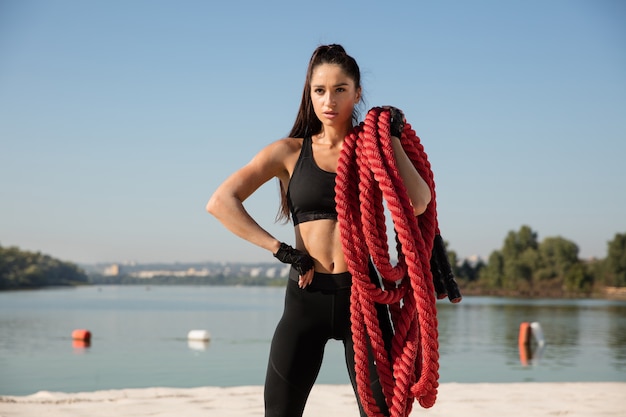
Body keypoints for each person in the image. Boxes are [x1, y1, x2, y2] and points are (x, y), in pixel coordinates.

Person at [206, 44, 432, 417]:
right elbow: (221, 202)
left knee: (383, 414)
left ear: (357, 93)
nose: (329, 100)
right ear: (309, 93)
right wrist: (280, 249)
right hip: (305, 297)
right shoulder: (288, 152)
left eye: (341, 89)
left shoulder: (373, 151)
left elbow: (419, 201)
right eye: (320, 90)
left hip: (363, 299)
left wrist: (389, 137)